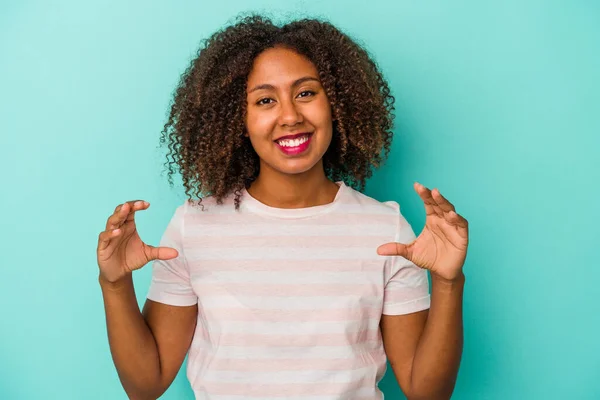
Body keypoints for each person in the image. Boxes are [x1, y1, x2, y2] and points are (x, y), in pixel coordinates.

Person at [96, 14, 469, 400]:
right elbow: (146, 384)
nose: (290, 116)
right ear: (238, 119)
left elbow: (428, 393)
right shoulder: (194, 226)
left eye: (306, 93)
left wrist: (447, 282)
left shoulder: (385, 229)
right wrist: (115, 284)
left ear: (336, 103)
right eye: (265, 100)